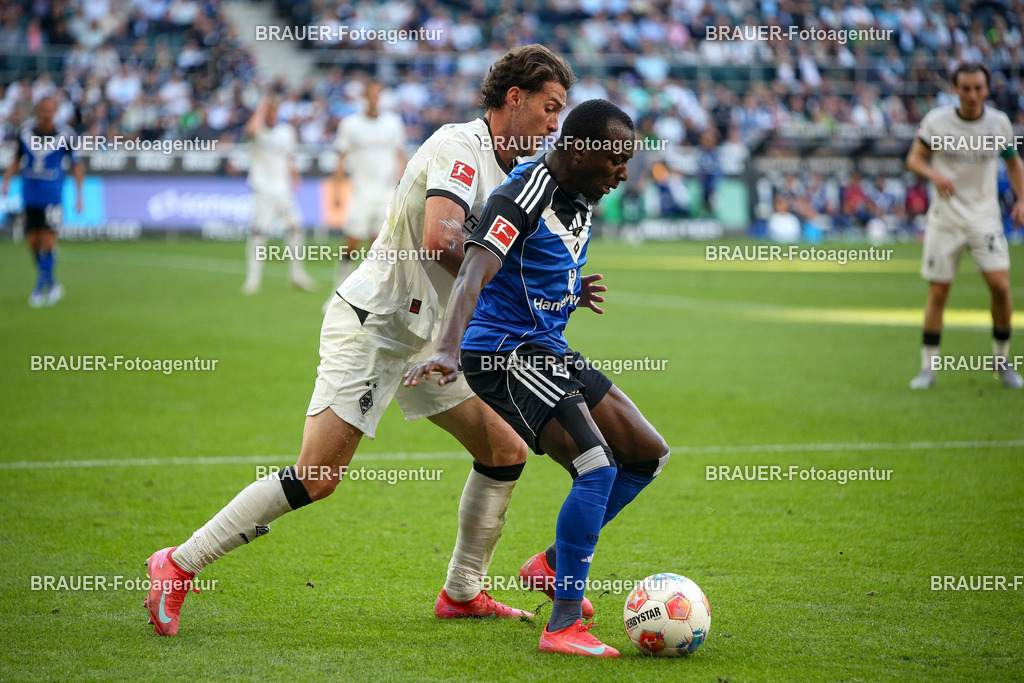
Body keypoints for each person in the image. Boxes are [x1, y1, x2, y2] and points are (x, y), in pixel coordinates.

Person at [144, 45, 580, 636]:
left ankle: (462, 591)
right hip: (374, 326)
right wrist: (522, 285)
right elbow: (439, 239)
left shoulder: (520, 175)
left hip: (429, 340)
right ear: (514, 97)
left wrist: (559, 284)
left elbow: (514, 256)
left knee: (504, 451)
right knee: (318, 476)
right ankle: (177, 563)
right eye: (550, 108)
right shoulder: (460, 146)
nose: (555, 123)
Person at [405, 100, 670, 658]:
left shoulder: (584, 192)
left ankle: (550, 565)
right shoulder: (529, 189)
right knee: (595, 466)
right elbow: (476, 267)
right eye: (617, 160)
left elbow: (532, 266)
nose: (625, 172)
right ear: (578, 151)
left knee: (646, 452)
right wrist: (448, 350)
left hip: (546, 348)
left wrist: (570, 291)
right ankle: (563, 625)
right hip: (502, 351)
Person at [905, 62, 1024, 389]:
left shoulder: (998, 123)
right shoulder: (936, 121)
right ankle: (928, 368)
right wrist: (933, 174)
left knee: (1000, 287)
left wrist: (1022, 200)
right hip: (945, 219)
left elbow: (1014, 162)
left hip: (985, 218)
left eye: (978, 88)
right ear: (955, 90)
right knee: (938, 292)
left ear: (987, 90)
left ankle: (1002, 363)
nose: (972, 95)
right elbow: (914, 159)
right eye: (966, 88)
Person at [325, 81, 407, 311]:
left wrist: (400, 188)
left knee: (379, 245)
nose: (374, 99)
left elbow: (400, 156)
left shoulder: (393, 123)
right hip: (361, 191)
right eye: (371, 95)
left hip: (385, 193)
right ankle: (337, 291)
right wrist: (337, 189)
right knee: (351, 242)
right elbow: (340, 158)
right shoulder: (350, 125)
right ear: (364, 98)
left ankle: (374, 296)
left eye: (378, 95)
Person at [1, 95, 84, 307]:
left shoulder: (66, 134)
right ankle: (52, 283)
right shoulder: (26, 131)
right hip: (30, 194)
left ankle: (39, 289)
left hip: (52, 196)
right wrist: (7, 181)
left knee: (48, 240)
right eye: (44, 109)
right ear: (38, 110)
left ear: (55, 111)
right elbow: (17, 158)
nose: (47, 113)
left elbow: (76, 164)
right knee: (33, 242)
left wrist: (79, 194)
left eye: (51, 109)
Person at [241, 93, 316, 294]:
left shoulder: (286, 132)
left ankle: (296, 275)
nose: (273, 115)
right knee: (259, 233)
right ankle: (253, 280)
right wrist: (261, 107)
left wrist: (295, 175)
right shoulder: (258, 132)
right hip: (262, 189)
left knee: (295, 229)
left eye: (275, 111)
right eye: (270, 112)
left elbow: (289, 157)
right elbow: (249, 129)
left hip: (283, 190)